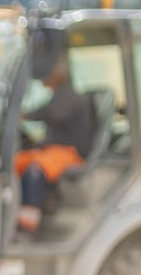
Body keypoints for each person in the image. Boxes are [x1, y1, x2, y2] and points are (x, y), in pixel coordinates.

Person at [16, 51, 95, 234]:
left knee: (35, 171)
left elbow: (53, 113)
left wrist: (26, 115)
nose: (41, 76)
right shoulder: (58, 95)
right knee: (15, 162)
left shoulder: (68, 95)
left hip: (70, 153)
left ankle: (28, 226)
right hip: (52, 150)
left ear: (59, 73)